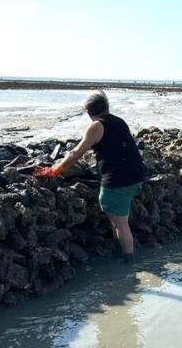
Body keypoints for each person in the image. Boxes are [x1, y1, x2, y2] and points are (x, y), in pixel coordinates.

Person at [33, 91, 145, 262]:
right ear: (107, 107)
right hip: (136, 177)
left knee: (121, 225)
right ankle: (121, 252)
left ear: (89, 112)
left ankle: (129, 263)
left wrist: (55, 170)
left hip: (117, 182)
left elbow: (76, 153)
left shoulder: (96, 126)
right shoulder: (119, 121)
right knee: (119, 220)